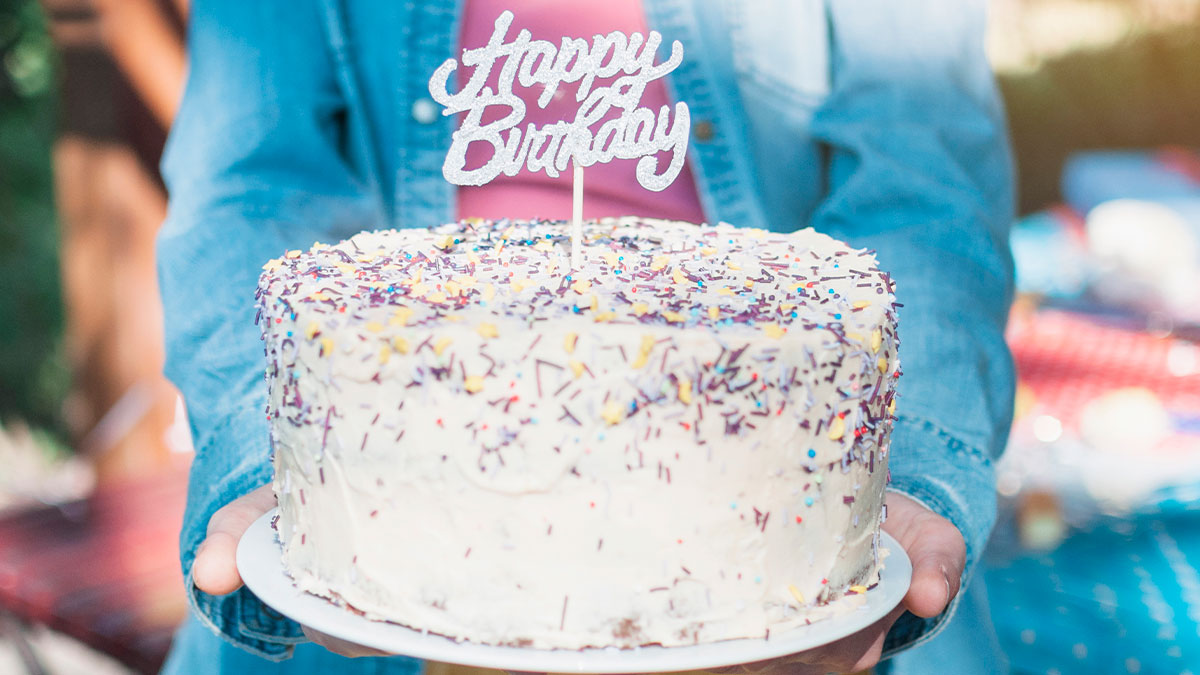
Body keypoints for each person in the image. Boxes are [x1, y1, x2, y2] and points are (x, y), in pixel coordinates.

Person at [156, 1, 1015, 673]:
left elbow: (928, 192)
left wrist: (919, 463)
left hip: (782, 541)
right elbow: (248, 186)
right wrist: (260, 455)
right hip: (375, 540)